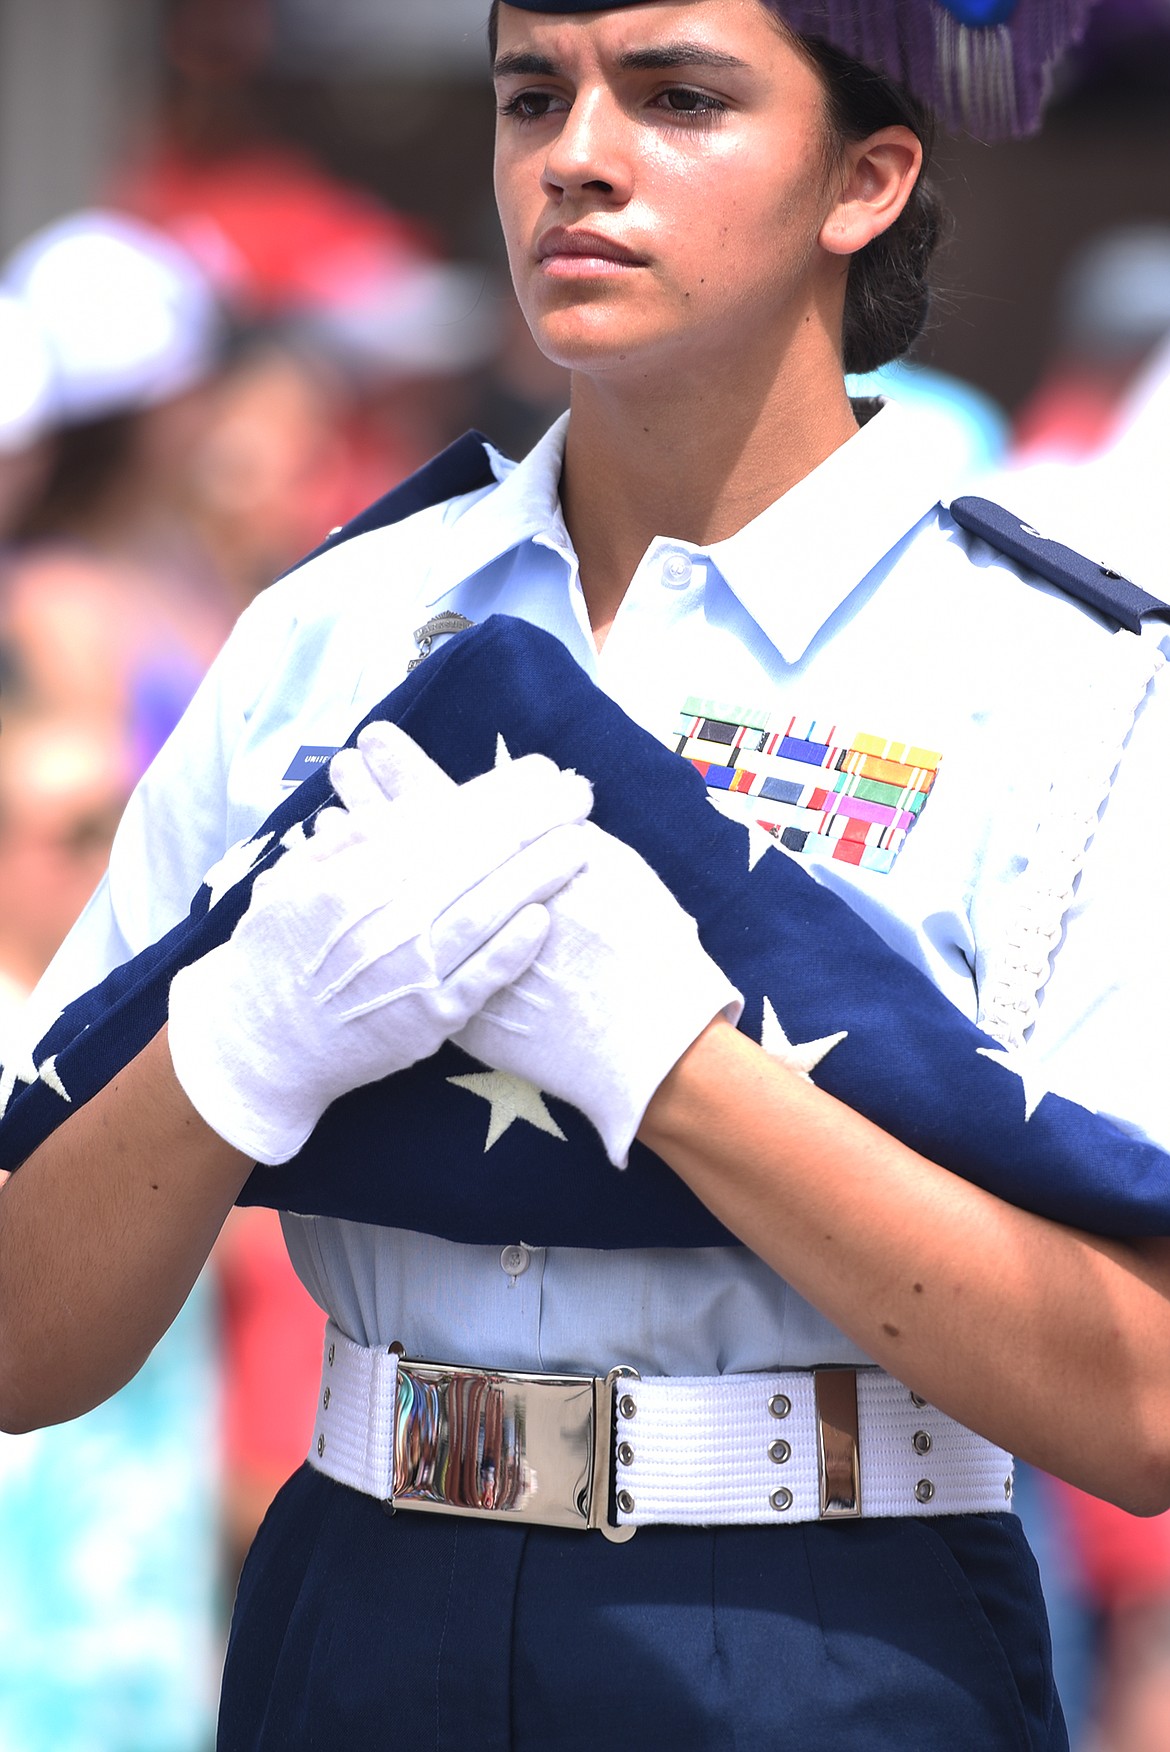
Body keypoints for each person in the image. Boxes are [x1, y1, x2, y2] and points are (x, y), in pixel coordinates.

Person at [2, 2, 1169, 1747]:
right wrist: (234, 1043)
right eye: (530, 95)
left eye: (679, 98)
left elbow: (1143, 1404)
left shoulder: (1063, 681)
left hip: (822, 1612)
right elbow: (27, 1338)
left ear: (866, 178)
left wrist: (672, 1065)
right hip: (359, 1590)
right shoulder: (319, 638)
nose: (577, 158)